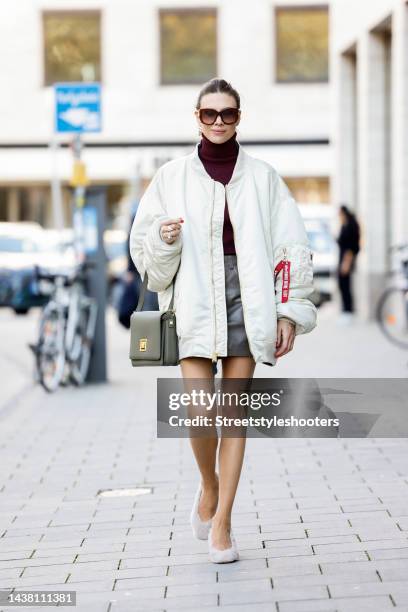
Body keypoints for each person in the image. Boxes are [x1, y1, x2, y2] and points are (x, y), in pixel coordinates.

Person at [129, 78, 317, 563]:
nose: (217, 122)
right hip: (192, 299)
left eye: (227, 114)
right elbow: (148, 263)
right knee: (199, 410)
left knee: (232, 415)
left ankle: (224, 524)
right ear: (196, 117)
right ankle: (208, 487)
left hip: (248, 300)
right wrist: (165, 240)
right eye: (209, 114)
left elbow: (290, 248)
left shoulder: (263, 177)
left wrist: (288, 312)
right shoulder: (170, 177)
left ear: (239, 117)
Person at [336, 204, 360, 323]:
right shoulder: (344, 225)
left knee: (345, 286)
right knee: (342, 285)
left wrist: (346, 263)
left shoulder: (351, 225)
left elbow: (351, 247)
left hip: (346, 260)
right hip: (342, 259)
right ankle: (345, 311)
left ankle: (348, 312)